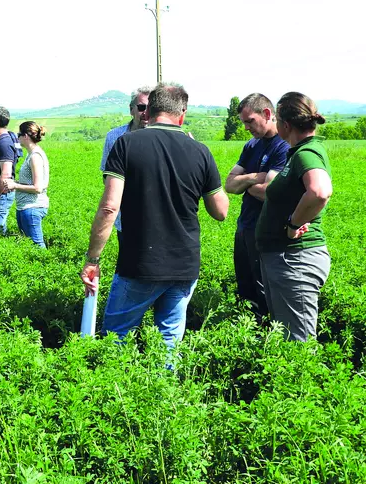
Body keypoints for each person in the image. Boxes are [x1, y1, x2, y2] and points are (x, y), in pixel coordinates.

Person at [80, 83, 229, 353]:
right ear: (182, 114)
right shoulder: (201, 151)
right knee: (168, 344)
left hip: (140, 263)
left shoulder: (126, 144)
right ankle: (164, 393)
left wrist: (93, 259)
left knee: (116, 338)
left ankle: (116, 393)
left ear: (148, 111)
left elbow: (109, 209)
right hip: (184, 265)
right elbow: (221, 211)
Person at [256, 92, 332, 342]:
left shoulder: (306, 153)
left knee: (298, 341)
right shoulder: (298, 152)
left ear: (285, 125)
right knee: (286, 334)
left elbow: (320, 191)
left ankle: (304, 381)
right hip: (285, 259)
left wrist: (293, 225)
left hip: (296, 259)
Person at [224, 93, 290, 321]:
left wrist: (246, 184)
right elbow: (229, 185)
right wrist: (255, 177)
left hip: (266, 230)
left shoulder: (283, 147)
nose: (246, 128)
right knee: (245, 287)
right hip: (244, 227)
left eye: (250, 121)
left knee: (263, 292)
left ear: (267, 114)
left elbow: (268, 193)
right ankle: (247, 336)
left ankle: (265, 339)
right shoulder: (251, 146)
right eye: (243, 122)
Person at [100, 86, 152, 241]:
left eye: (151, 108)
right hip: (124, 216)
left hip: (155, 217)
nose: (146, 112)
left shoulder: (162, 137)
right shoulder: (114, 137)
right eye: (142, 107)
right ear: (131, 110)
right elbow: (106, 176)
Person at [3, 121, 49, 248]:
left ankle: (44, 265)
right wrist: (15, 183)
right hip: (25, 207)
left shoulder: (35, 156)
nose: (17, 137)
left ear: (26, 136)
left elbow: (38, 187)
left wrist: (15, 186)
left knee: (36, 246)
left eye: (19, 134)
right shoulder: (31, 154)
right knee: (28, 245)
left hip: (33, 207)